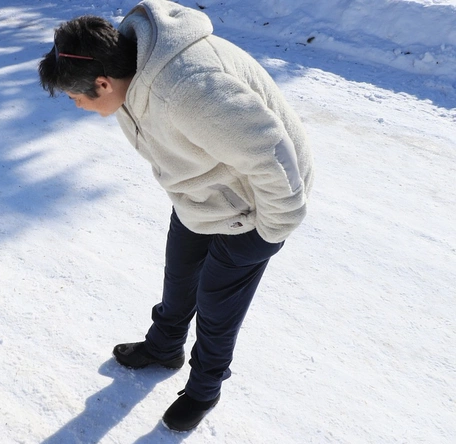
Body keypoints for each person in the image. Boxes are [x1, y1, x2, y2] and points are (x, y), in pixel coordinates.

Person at [38, 0, 314, 432]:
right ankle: (164, 346)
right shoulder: (127, 70)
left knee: (216, 305)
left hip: (259, 201)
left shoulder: (188, 90)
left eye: (76, 96)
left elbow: (270, 154)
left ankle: (205, 389)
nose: (76, 105)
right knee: (180, 274)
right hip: (204, 190)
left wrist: (272, 230)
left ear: (103, 83)